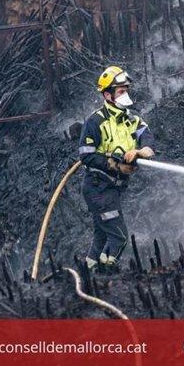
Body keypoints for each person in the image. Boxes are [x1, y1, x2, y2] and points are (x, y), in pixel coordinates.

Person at [78, 66, 155, 272]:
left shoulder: (132, 119)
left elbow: (147, 137)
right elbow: (86, 155)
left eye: (126, 90)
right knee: (119, 237)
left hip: (113, 189)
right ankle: (106, 272)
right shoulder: (95, 121)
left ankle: (88, 272)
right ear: (107, 95)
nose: (125, 94)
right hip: (98, 188)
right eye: (121, 91)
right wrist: (115, 164)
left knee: (101, 235)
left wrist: (142, 151)